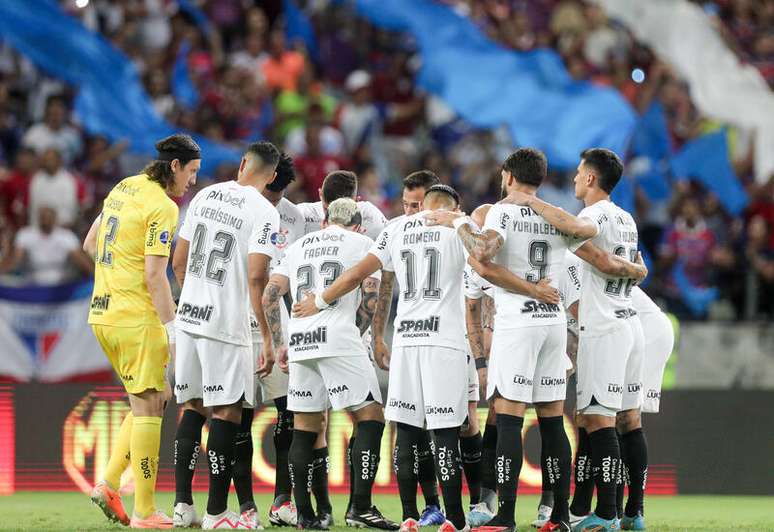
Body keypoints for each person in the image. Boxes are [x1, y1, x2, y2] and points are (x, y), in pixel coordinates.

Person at [294, 184, 472, 532]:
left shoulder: (393, 230)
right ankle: (456, 518)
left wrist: (318, 300)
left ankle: (404, 516)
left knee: (401, 429)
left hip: (402, 338)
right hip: (442, 339)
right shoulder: (457, 229)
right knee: (441, 429)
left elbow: (357, 274)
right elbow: (487, 257)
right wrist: (463, 221)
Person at [426, 148, 580, 532]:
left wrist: (459, 221)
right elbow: (587, 245)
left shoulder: (502, 211)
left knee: (509, 418)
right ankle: (559, 516)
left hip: (519, 324)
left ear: (509, 176)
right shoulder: (556, 215)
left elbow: (482, 252)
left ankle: (506, 516)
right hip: (553, 323)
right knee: (552, 421)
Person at [502, 148, 646, 532]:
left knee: (599, 421)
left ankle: (608, 513)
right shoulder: (626, 218)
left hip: (603, 328)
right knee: (622, 418)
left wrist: (530, 203)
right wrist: (636, 269)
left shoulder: (590, 216)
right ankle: (630, 512)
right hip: (628, 321)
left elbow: (597, 259)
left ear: (591, 179)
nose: (575, 178)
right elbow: (635, 267)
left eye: (580, 172)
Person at [87, 134, 201, 529]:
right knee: (152, 403)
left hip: (103, 313)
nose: (193, 181)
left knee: (155, 398)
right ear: (175, 166)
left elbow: (90, 244)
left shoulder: (124, 187)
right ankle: (144, 511)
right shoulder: (164, 207)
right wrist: (172, 329)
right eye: (191, 172)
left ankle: (109, 484)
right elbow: (155, 274)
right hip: (136, 318)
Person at [264, 198, 397, 531]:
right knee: (370, 416)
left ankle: (306, 515)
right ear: (356, 224)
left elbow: (270, 294)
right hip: (339, 335)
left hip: (300, 340)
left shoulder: (298, 246)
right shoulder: (363, 242)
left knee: (305, 428)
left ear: (325, 221)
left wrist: (280, 341)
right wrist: (360, 334)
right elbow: (370, 296)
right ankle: (361, 507)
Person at [171, 141, 280, 530]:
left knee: (193, 407)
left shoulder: (204, 195)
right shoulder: (265, 212)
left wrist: (191, 299)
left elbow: (179, 261)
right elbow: (256, 277)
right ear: (270, 177)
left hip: (189, 317)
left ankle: (182, 506)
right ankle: (217, 513)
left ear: (243, 164)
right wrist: (266, 337)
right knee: (228, 410)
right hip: (225, 324)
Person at [372, 170, 446, 528]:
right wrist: (377, 336)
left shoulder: (451, 229)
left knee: (447, 426)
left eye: (417, 205)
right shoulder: (395, 230)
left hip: (446, 340)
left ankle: (449, 506)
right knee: (406, 426)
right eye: (406, 204)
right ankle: (410, 514)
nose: (411, 211)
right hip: (406, 339)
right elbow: (384, 285)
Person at [245, 152, 306, 527]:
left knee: (288, 409)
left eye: (279, 195)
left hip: (275, 321)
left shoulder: (293, 217)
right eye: (270, 193)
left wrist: (280, 335)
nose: (273, 202)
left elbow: (285, 279)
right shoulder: (240, 206)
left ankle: (282, 498)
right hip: (236, 320)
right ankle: (246, 505)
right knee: (236, 414)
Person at [0, 205, 93, 284]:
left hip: (61, 284)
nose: (46, 220)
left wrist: (96, 275)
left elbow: (82, 260)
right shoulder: (25, 235)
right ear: (39, 218)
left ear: (55, 219)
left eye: (48, 217)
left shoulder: (66, 237)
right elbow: (14, 260)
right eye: (43, 217)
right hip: (33, 283)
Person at [297, 170, 387, 239]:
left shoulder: (370, 215)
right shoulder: (301, 214)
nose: (332, 219)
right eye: (327, 210)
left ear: (356, 202)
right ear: (320, 194)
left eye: (343, 212)